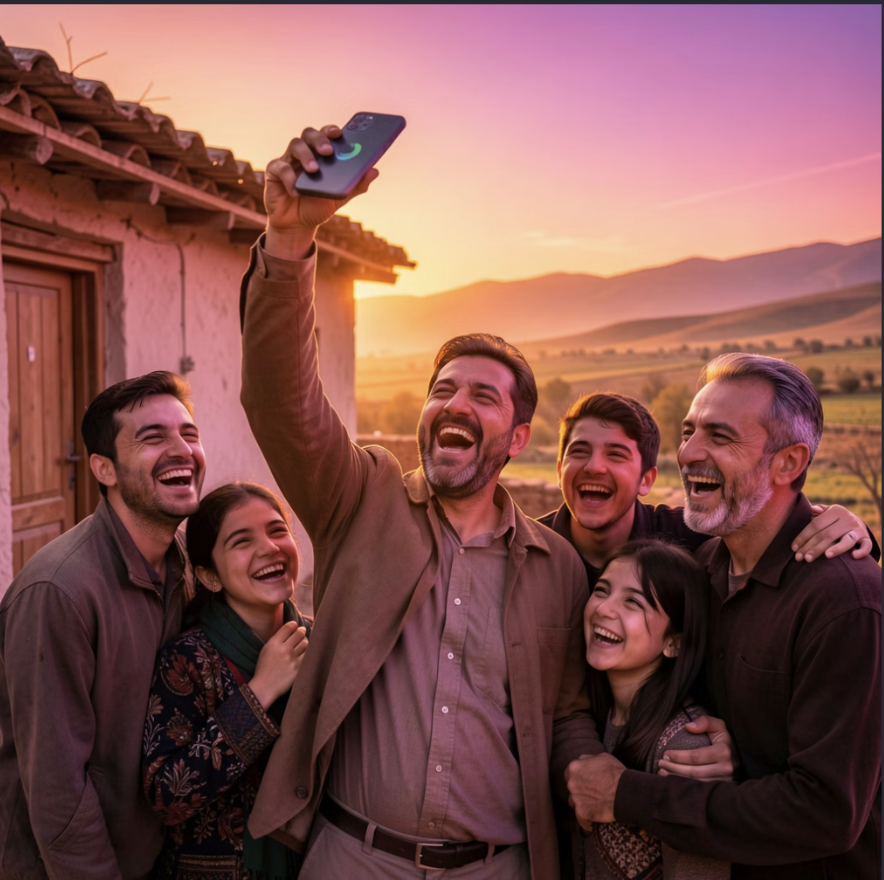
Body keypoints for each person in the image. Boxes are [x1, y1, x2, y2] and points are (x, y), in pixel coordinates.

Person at [238, 123, 600, 879]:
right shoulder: (360, 498)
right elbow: (281, 402)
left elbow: (565, 712)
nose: (455, 404)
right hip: (353, 857)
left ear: (519, 438)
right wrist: (290, 240)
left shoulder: (558, 567)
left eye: (482, 396)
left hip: (496, 866)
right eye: (442, 390)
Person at [566, 354, 881, 878]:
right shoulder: (704, 564)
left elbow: (826, 810)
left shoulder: (841, 600)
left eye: (720, 436)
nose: (688, 452)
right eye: (689, 431)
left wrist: (629, 795)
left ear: (788, 463)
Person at [0, 371, 205, 880]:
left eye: (189, 434)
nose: (182, 450)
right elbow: (59, 792)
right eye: (153, 438)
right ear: (104, 469)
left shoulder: (184, 566)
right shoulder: (58, 592)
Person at [540, 390, 876, 592]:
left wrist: (855, 532)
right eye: (579, 451)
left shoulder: (692, 541)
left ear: (646, 480)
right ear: (559, 470)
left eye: (616, 455)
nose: (594, 467)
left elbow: (770, 535)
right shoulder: (527, 552)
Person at [144, 482, 310, 880]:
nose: (269, 548)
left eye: (277, 530)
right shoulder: (185, 661)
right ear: (210, 576)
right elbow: (167, 796)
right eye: (242, 541)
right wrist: (261, 691)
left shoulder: (320, 645)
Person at [578, 539, 728, 880]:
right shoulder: (590, 720)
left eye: (633, 602)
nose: (604, 609)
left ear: (674, 642)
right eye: (602, 590)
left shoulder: (685, 750)